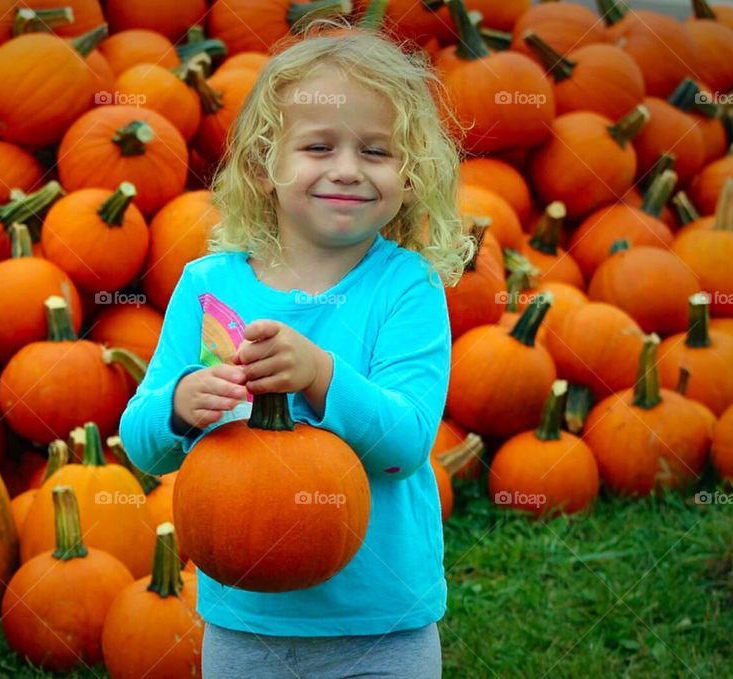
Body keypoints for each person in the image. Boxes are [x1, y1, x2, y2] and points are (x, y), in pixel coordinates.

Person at [119, 18, 476, 679]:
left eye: (376, 152)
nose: (347, 169)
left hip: (381, 625)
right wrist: (179, 404)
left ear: (410, 174)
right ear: (264, 164)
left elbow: (404, 444)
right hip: (245, 622)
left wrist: (319, 374)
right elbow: (143, 444)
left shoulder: (407, 287)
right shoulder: (211, 288)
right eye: (318, 146)